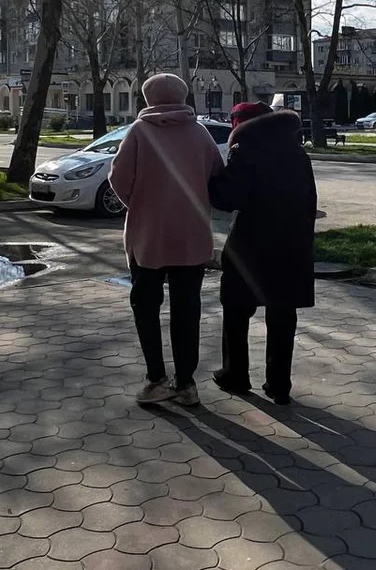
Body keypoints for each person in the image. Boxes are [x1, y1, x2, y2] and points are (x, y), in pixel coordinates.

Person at [109, 73, 224, 407]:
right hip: (191, 236)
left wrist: (142, 205)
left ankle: (156, 379)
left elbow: (118, 178)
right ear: (183, 96)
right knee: (187, 308)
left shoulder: (139, 132)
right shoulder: (199, 133)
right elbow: (216, 174)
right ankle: (187, 384)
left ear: (148, 98)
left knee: (145, 306)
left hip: (148, 238)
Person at [209, 102, 317, 406]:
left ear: (241, 126)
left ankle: (235, 374)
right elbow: (310, 201)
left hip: (250, 247)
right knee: (283, 314)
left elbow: (229, 198)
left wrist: (213, 180)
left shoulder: (245, 151)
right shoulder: (298, 152)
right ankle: (279, 385)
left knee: (236, 310)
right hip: (292, 245)